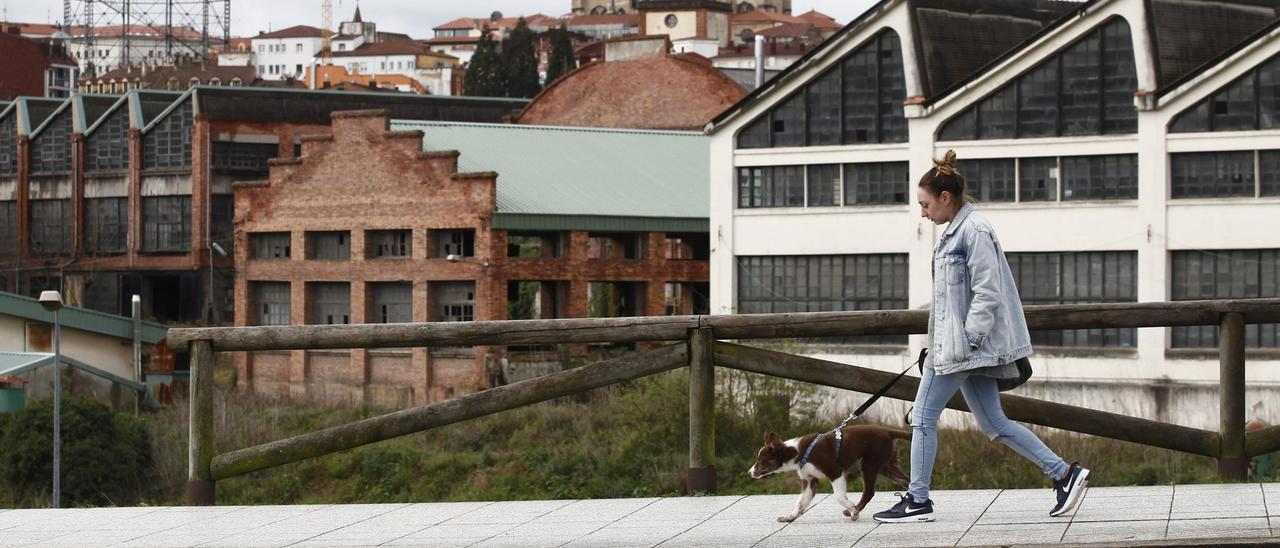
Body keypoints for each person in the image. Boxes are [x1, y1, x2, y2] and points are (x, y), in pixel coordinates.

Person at [872, 150, 1090, 523]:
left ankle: (917, 499)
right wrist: (941, 342)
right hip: (961, 348)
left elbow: (989, 292)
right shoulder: (955, 232)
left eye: (925, 204)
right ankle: (1064, 474)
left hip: (965, 349)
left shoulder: (974, 231)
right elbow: (952, 302)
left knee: (923, 416)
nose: (922, 213)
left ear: (945, 198)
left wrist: (966, 341)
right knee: (993, 423)